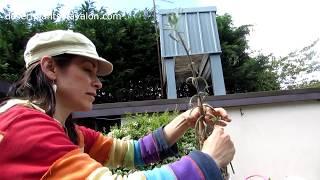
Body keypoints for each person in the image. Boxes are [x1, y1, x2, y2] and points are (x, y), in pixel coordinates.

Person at [0, 30, 235, 179]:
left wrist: (188, 118)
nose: (98, 83)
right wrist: (207, 162)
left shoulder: (71, 134)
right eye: (86, 70)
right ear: (50, 68)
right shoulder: (23, 126)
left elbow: (135, 152)